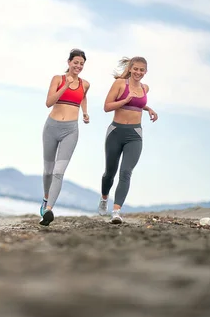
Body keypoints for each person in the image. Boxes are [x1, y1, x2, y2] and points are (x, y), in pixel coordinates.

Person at [98, 56, 158, 224]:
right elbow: (107, 107)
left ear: (145, 72)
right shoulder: (119, 84)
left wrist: (148, 108)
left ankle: (116, 211)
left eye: (142, 70)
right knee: (110, 173)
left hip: (135, 135)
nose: (138, 72)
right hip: (116, 132)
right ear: (130, 68)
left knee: (126, 172)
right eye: (136, 69)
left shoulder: (145, 88)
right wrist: (124, 100)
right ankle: (104, 199)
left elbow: (137, 103)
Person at [40, 48, 90, 226]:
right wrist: (66, 86)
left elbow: (83, 97)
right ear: (69, 62)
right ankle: (45, 199)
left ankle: (48, 210)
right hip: (51, 127)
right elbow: (49, 102)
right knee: (48, 171)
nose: (78, 66)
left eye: (82, 64)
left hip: (71, 130)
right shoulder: (57, 79)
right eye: (76, 62)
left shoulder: (85, 84)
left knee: (59, 172)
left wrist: (85, 112)